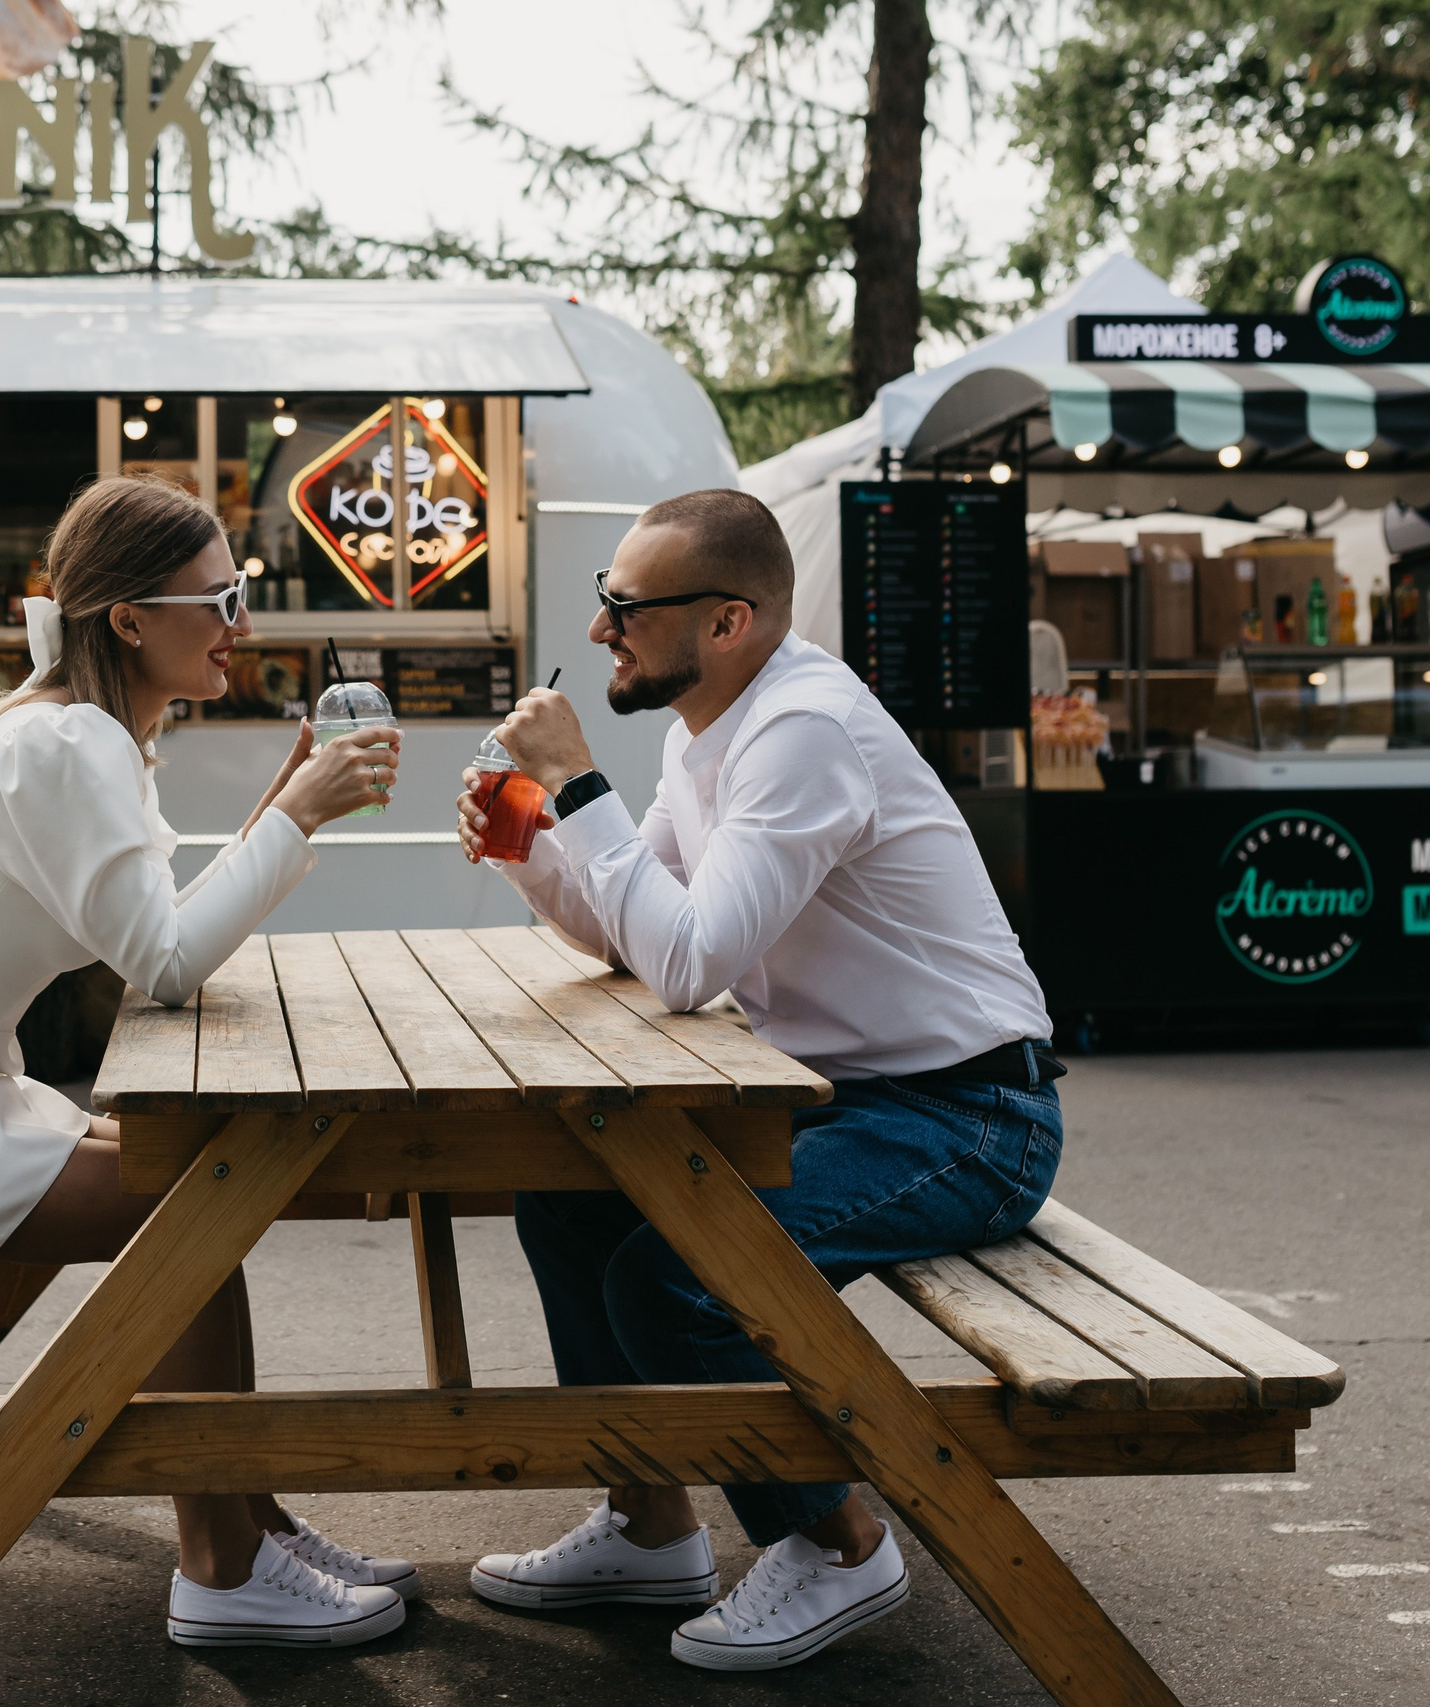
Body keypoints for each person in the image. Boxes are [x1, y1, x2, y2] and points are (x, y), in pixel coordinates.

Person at [0, 477, 416, 1651]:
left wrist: (277, 808)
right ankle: (223, 1568)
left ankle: (251, 1522)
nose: (239, 623)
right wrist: (296, 816)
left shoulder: (81, 735)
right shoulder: (67, 746)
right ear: (131, 622)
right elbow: (163, 963)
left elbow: (154, 930)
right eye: (218, 599)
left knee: (194, 1190)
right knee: (189, 1217)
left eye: (237, 595)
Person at [452, 488, 1062, 1673]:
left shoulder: (803, 732)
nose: (600, 634)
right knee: (569, 1199)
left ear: (727, 621)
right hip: (842, 1100)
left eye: (624, 609)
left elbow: (683, 968)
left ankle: (839, 1542)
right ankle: (648, 1524)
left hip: (970, 1115)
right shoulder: (706, 735)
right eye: (604, 603)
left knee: (678, 1278)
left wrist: (579, 785)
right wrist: (528, 848)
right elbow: (654, 931)